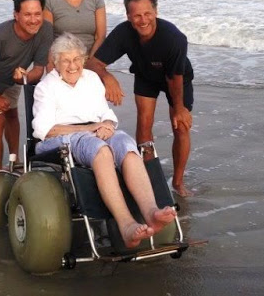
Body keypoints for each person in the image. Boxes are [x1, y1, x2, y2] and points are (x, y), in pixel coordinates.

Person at [32, 33, 177, 248]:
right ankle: (126, 225)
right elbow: (45, 130)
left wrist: (108, 124)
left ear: (83, 60)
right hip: (61, 138)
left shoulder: (91, 79)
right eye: (66, 60)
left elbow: (105, 112)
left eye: (77, 60)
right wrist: (91, 129)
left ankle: (151, 212)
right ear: (55, 62)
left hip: (97, 130)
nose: (72, 66)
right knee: (100, 149)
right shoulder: (46, 87)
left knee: (126, 145)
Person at [85, 0, 195, 197]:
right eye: (136, 16)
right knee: (144, 124)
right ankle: (148, 177)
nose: (143, 20)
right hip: (146, 75)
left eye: (147, 14)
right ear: (128, 17)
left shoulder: (174, 38)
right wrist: (107, 77)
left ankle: (178, 183)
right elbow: (93, 63)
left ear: (155, 12)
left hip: (176, 78)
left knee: (181, 126)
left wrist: (179, 108)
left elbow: (175, 77)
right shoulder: (124, 32)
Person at [0, 0, 53, 171]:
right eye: (27, 14)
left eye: (37, 14)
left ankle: (14, 160)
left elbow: (38, 70)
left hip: (14, 76)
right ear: (16, 15)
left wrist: (23, 79)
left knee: (12, 115)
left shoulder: (46, 29)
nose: (33, 20)